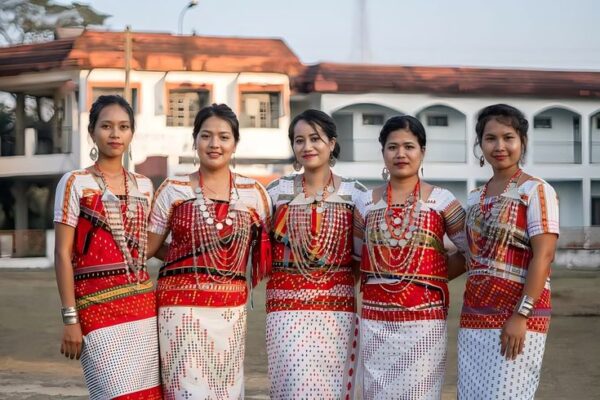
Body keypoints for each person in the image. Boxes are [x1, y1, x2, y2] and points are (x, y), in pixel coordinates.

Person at [147, 103, 271, 399]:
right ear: (195, 140)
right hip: (180, 310)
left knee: (225, 390)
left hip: (230, 311)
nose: (215, 144)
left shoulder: (254, 194)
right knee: (186, 390)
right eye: (206, 136)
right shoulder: (173, 189)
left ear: (235, 143)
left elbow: (265, 249)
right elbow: (148, 248)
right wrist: (191, 260)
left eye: (224, 137)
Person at [53, 95, 162, 399]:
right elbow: (62, 254)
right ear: (92, 131)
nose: (115, 134)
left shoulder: (144, 185)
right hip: (96, 310)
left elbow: (146, 246)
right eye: (107, 126)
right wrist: (70, 319)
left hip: (143, 309)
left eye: (123, 127)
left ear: (131, 134)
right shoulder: (75, 182)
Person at [358, 115, 467, 399]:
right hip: (374, 322)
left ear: (423, 152)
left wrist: (431, 274)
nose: (401, 154)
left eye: (409, 146)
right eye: (392, 147)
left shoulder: (442, 200)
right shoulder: (365, 203)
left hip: (424, 325)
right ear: (382, 153)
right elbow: (357, 257)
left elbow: (471, 250)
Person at [457, 104, 559, 399]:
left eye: (508, 137)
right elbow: (470, 258)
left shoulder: (536, 191)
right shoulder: (476, 197)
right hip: (473, 318)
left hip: (517, 319)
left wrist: (521, 316)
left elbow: (544, 256)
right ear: (480, 145)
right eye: (490, 139)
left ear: (522, 142)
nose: (499, 146)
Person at [265, 109, 367, 399]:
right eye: (299, 140)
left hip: (337, 315)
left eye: (315, 139)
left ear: (332, 143)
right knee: (293, 387)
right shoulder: (276, 192)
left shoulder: (355, 193)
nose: (307, 147)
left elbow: (360, 258)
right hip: (285, 312)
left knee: (332, 389)